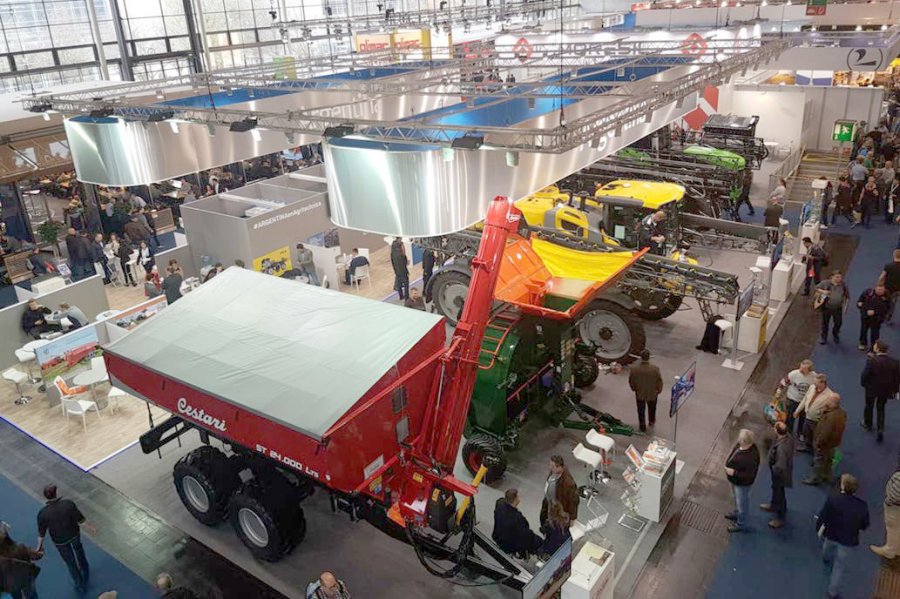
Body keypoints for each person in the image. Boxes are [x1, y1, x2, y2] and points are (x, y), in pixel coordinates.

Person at [817, 474, 869, 599]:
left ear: (843, 486)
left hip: (831, 534)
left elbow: (823, 515)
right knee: (839, 566)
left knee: (827, 549)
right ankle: (832, 592)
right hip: (847, 540)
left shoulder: (833, 499)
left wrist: (818, 528)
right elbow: (864, 524)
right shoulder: (862, 506)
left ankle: (826, 558)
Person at [36, 484, 90, 592]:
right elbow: (80, 519)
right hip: (74, 534)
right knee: (79, 551)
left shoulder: (42, 514)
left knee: (70, 562)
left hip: (60, 541)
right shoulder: (68, 504)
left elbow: (42, 533)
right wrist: (90, 526)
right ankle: (85, 569)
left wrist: (39, 547)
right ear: (56, 493)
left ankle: (79, 584)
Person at [860, 340, 900, 443]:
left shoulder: (871, 361)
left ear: (877, 349)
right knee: (881, 408)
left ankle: (868, 424)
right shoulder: (895, 362)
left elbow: (865, 375)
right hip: (885, 390)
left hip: (871, 389)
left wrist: (864, 384)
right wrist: (895, 391)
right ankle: (880, 429)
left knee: (869, 405)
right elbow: (897, 379)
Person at [803, 394, 846, 486]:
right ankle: (826, 475)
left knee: (819, 461)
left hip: (824, 444)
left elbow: (825, 433)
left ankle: (815, 478)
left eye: (828, 400)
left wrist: (818, 443)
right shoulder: (841, 413)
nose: (826, 401)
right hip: (833, 443)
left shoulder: (830, 417)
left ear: (833, 403)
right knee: (829, 460)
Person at [724, 429, 760, 533]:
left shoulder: (751, 457)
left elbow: (749, 475)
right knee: (737, 498)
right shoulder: (742, 446)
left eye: (740, 439)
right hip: (735, 481)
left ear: (745, 442)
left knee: (742, 503)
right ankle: (736, 513)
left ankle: (741, 524)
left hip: (742, 484)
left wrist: (734, 473)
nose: (738, 440)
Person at [760, 421, 794, 529]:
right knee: (775, 489)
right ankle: (773, 505)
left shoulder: (781, 448)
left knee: (780, 494)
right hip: (780, 473)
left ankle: (780, 517)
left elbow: (781, 466)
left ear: (777, 431)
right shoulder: (787, 437)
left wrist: (774, 470)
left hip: (779, 475)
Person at [794, 373, 838, 453]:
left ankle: (816, 456)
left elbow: (832, 410)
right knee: (807, 434)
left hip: (817, 421)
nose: (814, 384)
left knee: (817, 439)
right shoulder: (812, 387)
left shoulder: (830, 395)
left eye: (816, 383)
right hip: (807, 417)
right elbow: (805, 399)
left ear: (823, 383)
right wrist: (798, 410)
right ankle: (807, 447)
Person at [492, 489, 542, 557]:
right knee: (538, 541)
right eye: (518, 496)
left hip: (498, 536)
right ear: (515, 499)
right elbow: (526, 534)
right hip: (509, 543)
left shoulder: (499, 503)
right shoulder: (516, 518)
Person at [0, 520, 42, 599]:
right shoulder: (20, 548)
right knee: (31, 594)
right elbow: (37, 556)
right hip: (25, 577)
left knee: (16, 595)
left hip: (10, 583)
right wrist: (41, 550)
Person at [775, 359, 816, 438]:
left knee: (803, 418)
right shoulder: (793, 374)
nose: (800, 370)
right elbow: (783, 382)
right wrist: (778, 392)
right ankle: (788, 433)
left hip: (804, 402)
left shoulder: (814, 377)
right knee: (789, 418)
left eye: (803, 369)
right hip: (792, 400)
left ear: (809, 370)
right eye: (800, 367)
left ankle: (801, 433)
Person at [870, 458, 900, 560]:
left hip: (895, 507)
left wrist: (888, 499)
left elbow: (894, 495)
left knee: (892, 527)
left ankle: (890, 551)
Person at [628, 349, 662, 432]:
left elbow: (631, 380)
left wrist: (634, 388)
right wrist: (659, 390)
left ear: (640, 357)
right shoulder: (655, 369)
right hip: (652, 393)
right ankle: (651, 421)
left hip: (640, 393)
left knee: (641, 410)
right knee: (652, 408)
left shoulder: (634, 369)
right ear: (649, 357)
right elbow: (659, 380)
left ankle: (642, 426)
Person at [540, 455, 579, 526]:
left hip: (559, 511)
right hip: (549, 504)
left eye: (552, 466)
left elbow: (574, 501)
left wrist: (572, 519)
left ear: (559, 467)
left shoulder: (568, 483)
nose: (550, 468)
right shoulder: (554, 472)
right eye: (550, 465)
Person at [816, 271, 850, 344]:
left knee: (838, 323)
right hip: (826, 307)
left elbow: (847, 296)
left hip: (837, 308)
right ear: (832, 277)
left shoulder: (843, 285)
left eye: (840, 277)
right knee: (825, 323)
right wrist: (823, 291)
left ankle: (835, 334)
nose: (839, 279)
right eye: (837, 277)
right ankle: (824, 337)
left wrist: (846, 306)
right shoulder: (825, 283)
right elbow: (816, 288)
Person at [857, 283, 891, 350]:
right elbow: (860, 301)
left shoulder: (887, 296)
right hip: (865, 316)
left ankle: (873, 348)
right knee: (863, 330)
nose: (879, 291)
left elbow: (887, 308)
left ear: (884, 289)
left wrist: (875, 312)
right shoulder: (867, 293)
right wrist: (860, 305)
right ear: (875, 288)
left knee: (875, 334)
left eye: (881, 290)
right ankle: (863, 343)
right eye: (878, 289)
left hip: (877, 318)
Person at [878, 248, 900, 321]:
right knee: (893, 303)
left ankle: (882, 314)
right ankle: (888, 316)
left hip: (887, 288)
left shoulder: (888, 265)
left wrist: (879, 284)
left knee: (884, 301)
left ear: (894, 256)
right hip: (897, 289)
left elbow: (881, 277)